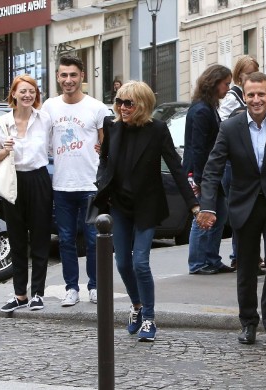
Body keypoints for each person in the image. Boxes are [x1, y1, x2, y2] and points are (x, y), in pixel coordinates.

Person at [196, 72, 266, 349]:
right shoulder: (230, 128)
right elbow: (212, 170)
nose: (256, 100)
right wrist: (208, 205)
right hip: (243, 205)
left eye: (261, 94)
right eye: (251, 95)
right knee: (245, 267)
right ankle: (248, 322)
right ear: (244, 97)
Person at [93, 81, 199, 341]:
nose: (123, 107)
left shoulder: (158, 130)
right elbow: (105, 159)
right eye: (119, 102)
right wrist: (101, 182)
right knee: (122, 262)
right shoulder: (112, 127)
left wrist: (194, 204)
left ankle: (150, 318)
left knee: (140, 261)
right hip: (119, 204)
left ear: (142, 105)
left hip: (147, 205)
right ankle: (137, 306)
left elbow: (175, 166)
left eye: (129, 103)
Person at [41, 55, 110, 307]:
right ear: (58, 77)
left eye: (73, 75)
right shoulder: (49, 106)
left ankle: (94, 286)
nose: (68, 80)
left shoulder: (97, 108)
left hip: (90, 185)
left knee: (93, 240)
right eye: (63, 75)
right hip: (61, 185)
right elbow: (43, 139)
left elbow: (106, 146)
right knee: (66, 240)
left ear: (82, 76)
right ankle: (71, 287)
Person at [0, 74, 53, 312]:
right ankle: (19, 294)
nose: (28, 95)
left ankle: (38, 293)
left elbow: (53, 147)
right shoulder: (2, 123)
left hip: (38, 179)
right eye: (23, 91)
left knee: (40, 237)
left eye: (32, 91)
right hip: (13, 180)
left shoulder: (44, 119)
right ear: (13, 94)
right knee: (17, 239)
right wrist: (4, 151)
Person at [184, 64, 235, 275]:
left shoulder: (207, 107)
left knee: (220, 213)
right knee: (204, 217)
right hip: (205, 173)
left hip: (211, 172)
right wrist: (200, 178)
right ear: (214, 84)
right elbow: (198, 147)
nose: (227, 88)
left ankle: (211, 258)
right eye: (226, 84)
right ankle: (198, 262)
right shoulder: (202, 110)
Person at [217, 55, 264, 272]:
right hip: (233, 164)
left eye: (254, 72)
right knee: (240, 211)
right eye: (246, 73)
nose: (250, 77)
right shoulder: (232, 98)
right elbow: (224, 125)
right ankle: (240, 255)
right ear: (238, 75)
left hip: (248, 163)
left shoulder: (251, 96)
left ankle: (246, 254)